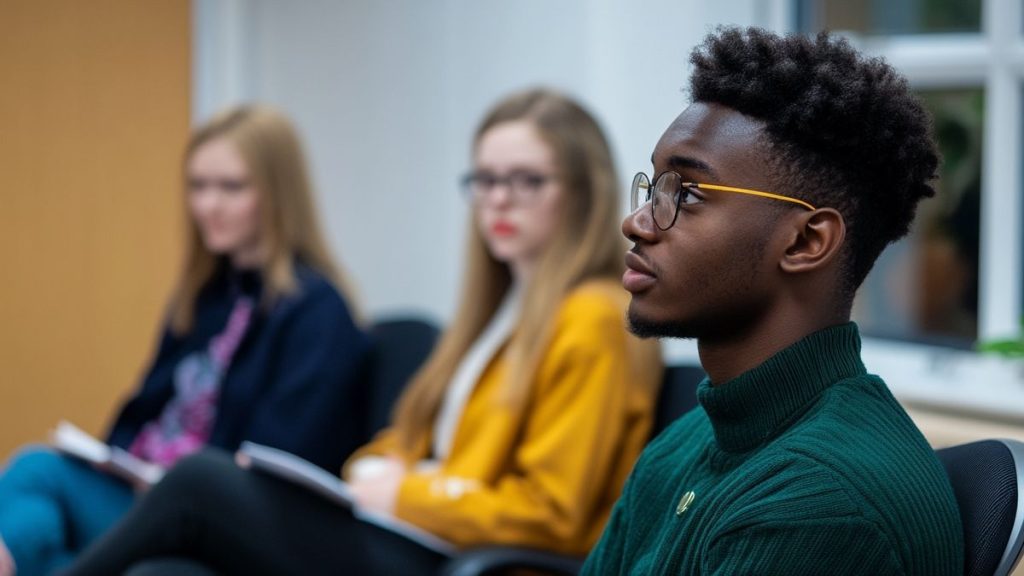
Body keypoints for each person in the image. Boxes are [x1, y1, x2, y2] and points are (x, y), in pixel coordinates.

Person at [61, 87, 663, 576]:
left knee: (203, 478)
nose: (498, 201)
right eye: (484, 180)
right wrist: (372, 473)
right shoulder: (497, 314)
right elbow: (402, 441)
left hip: (460, 556)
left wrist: (403, 496)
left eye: (526, 181)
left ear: (583, 192)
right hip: (414, 536)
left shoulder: (593, 317)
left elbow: (551, 514)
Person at [581, 26, 965, 575]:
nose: (636, 222)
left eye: (686, 194)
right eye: (655, 188)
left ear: (807, 242)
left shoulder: (820, 504)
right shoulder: (691, 438)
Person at [0, 105, 369, 576]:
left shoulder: (317, 311)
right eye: (198, 186)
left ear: (277, 194)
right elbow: (140, 411)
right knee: (37, 472)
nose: (207, 206)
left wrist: (172, 482)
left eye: (231, 187)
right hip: (141, 489)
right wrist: (121, 464)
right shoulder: (204, 298)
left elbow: (282, 462)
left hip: (212, 516)